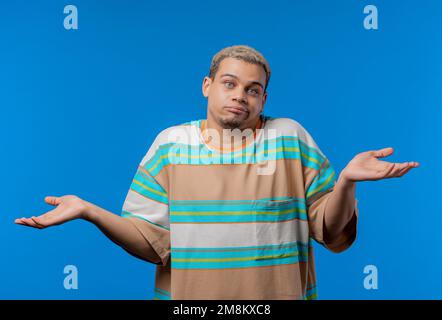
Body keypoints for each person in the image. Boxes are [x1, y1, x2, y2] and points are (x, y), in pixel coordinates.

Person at [15, 45, 419, 300]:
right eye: (230, 83)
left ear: (264, 98)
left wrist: (346, 181)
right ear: (207, 85)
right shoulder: (171, 144)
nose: (240, 96)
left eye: (253, 89)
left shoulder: (290, 138)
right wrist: (89, 210)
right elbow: (152, 245)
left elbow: (331, 233)